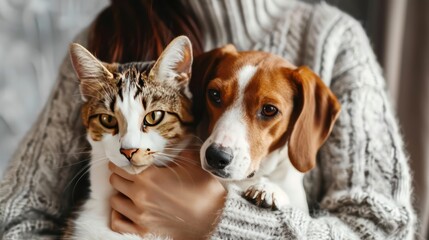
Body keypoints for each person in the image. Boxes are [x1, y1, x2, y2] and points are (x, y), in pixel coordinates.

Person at [0, 0, 416, 239]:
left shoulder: (335, 42)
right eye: (215, 96)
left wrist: (216, 219)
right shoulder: (107, 34)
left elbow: (382, 231)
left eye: (267, 111)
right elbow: (17, 216)